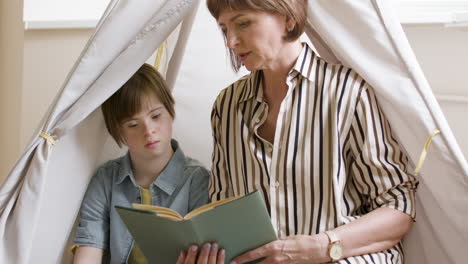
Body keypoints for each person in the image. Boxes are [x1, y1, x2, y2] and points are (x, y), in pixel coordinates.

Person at [178, 0, 418, 263]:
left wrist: (322, 246)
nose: (230, 42)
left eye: (243, 23)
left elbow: (398, 208)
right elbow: (223, 212)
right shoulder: (227, 106)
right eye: (224, 29)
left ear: (287, 18)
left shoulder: (347, 92)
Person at [72, 63, 210, 264]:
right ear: (118, 131)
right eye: (133, 125)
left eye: (155, 116)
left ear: (170, 112)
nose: (148, 130)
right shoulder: (106, 180)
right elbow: (89, 248)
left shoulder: (197, 180)